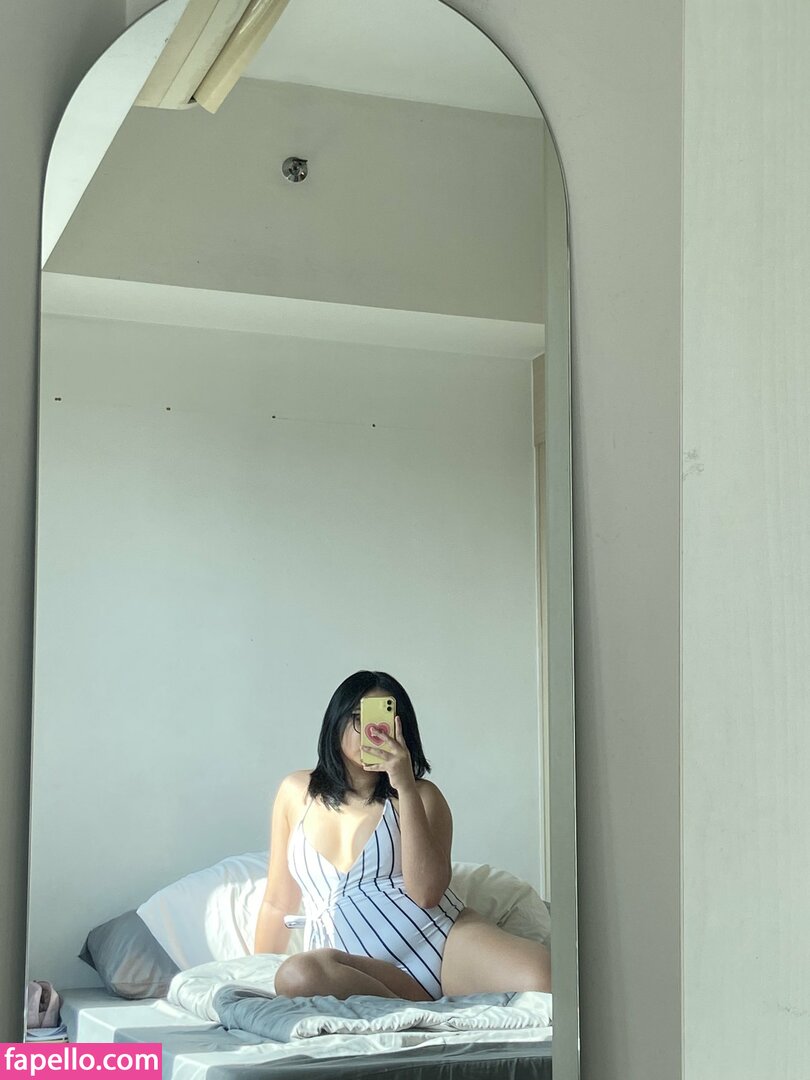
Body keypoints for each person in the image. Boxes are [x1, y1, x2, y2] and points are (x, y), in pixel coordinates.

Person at [254, 670, 551, 1001]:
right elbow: (277, 903)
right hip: (358, 968)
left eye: (385, 720)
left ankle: (413, 1007)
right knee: (296, 976)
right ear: (336, 721)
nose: (374, 731)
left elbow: (426, 894)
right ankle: (417, 1007)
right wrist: (254, 971)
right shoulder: (295, 792)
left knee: (546, 977)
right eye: (360, 718)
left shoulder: (423, 795)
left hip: (443, 943)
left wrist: (404, 784)